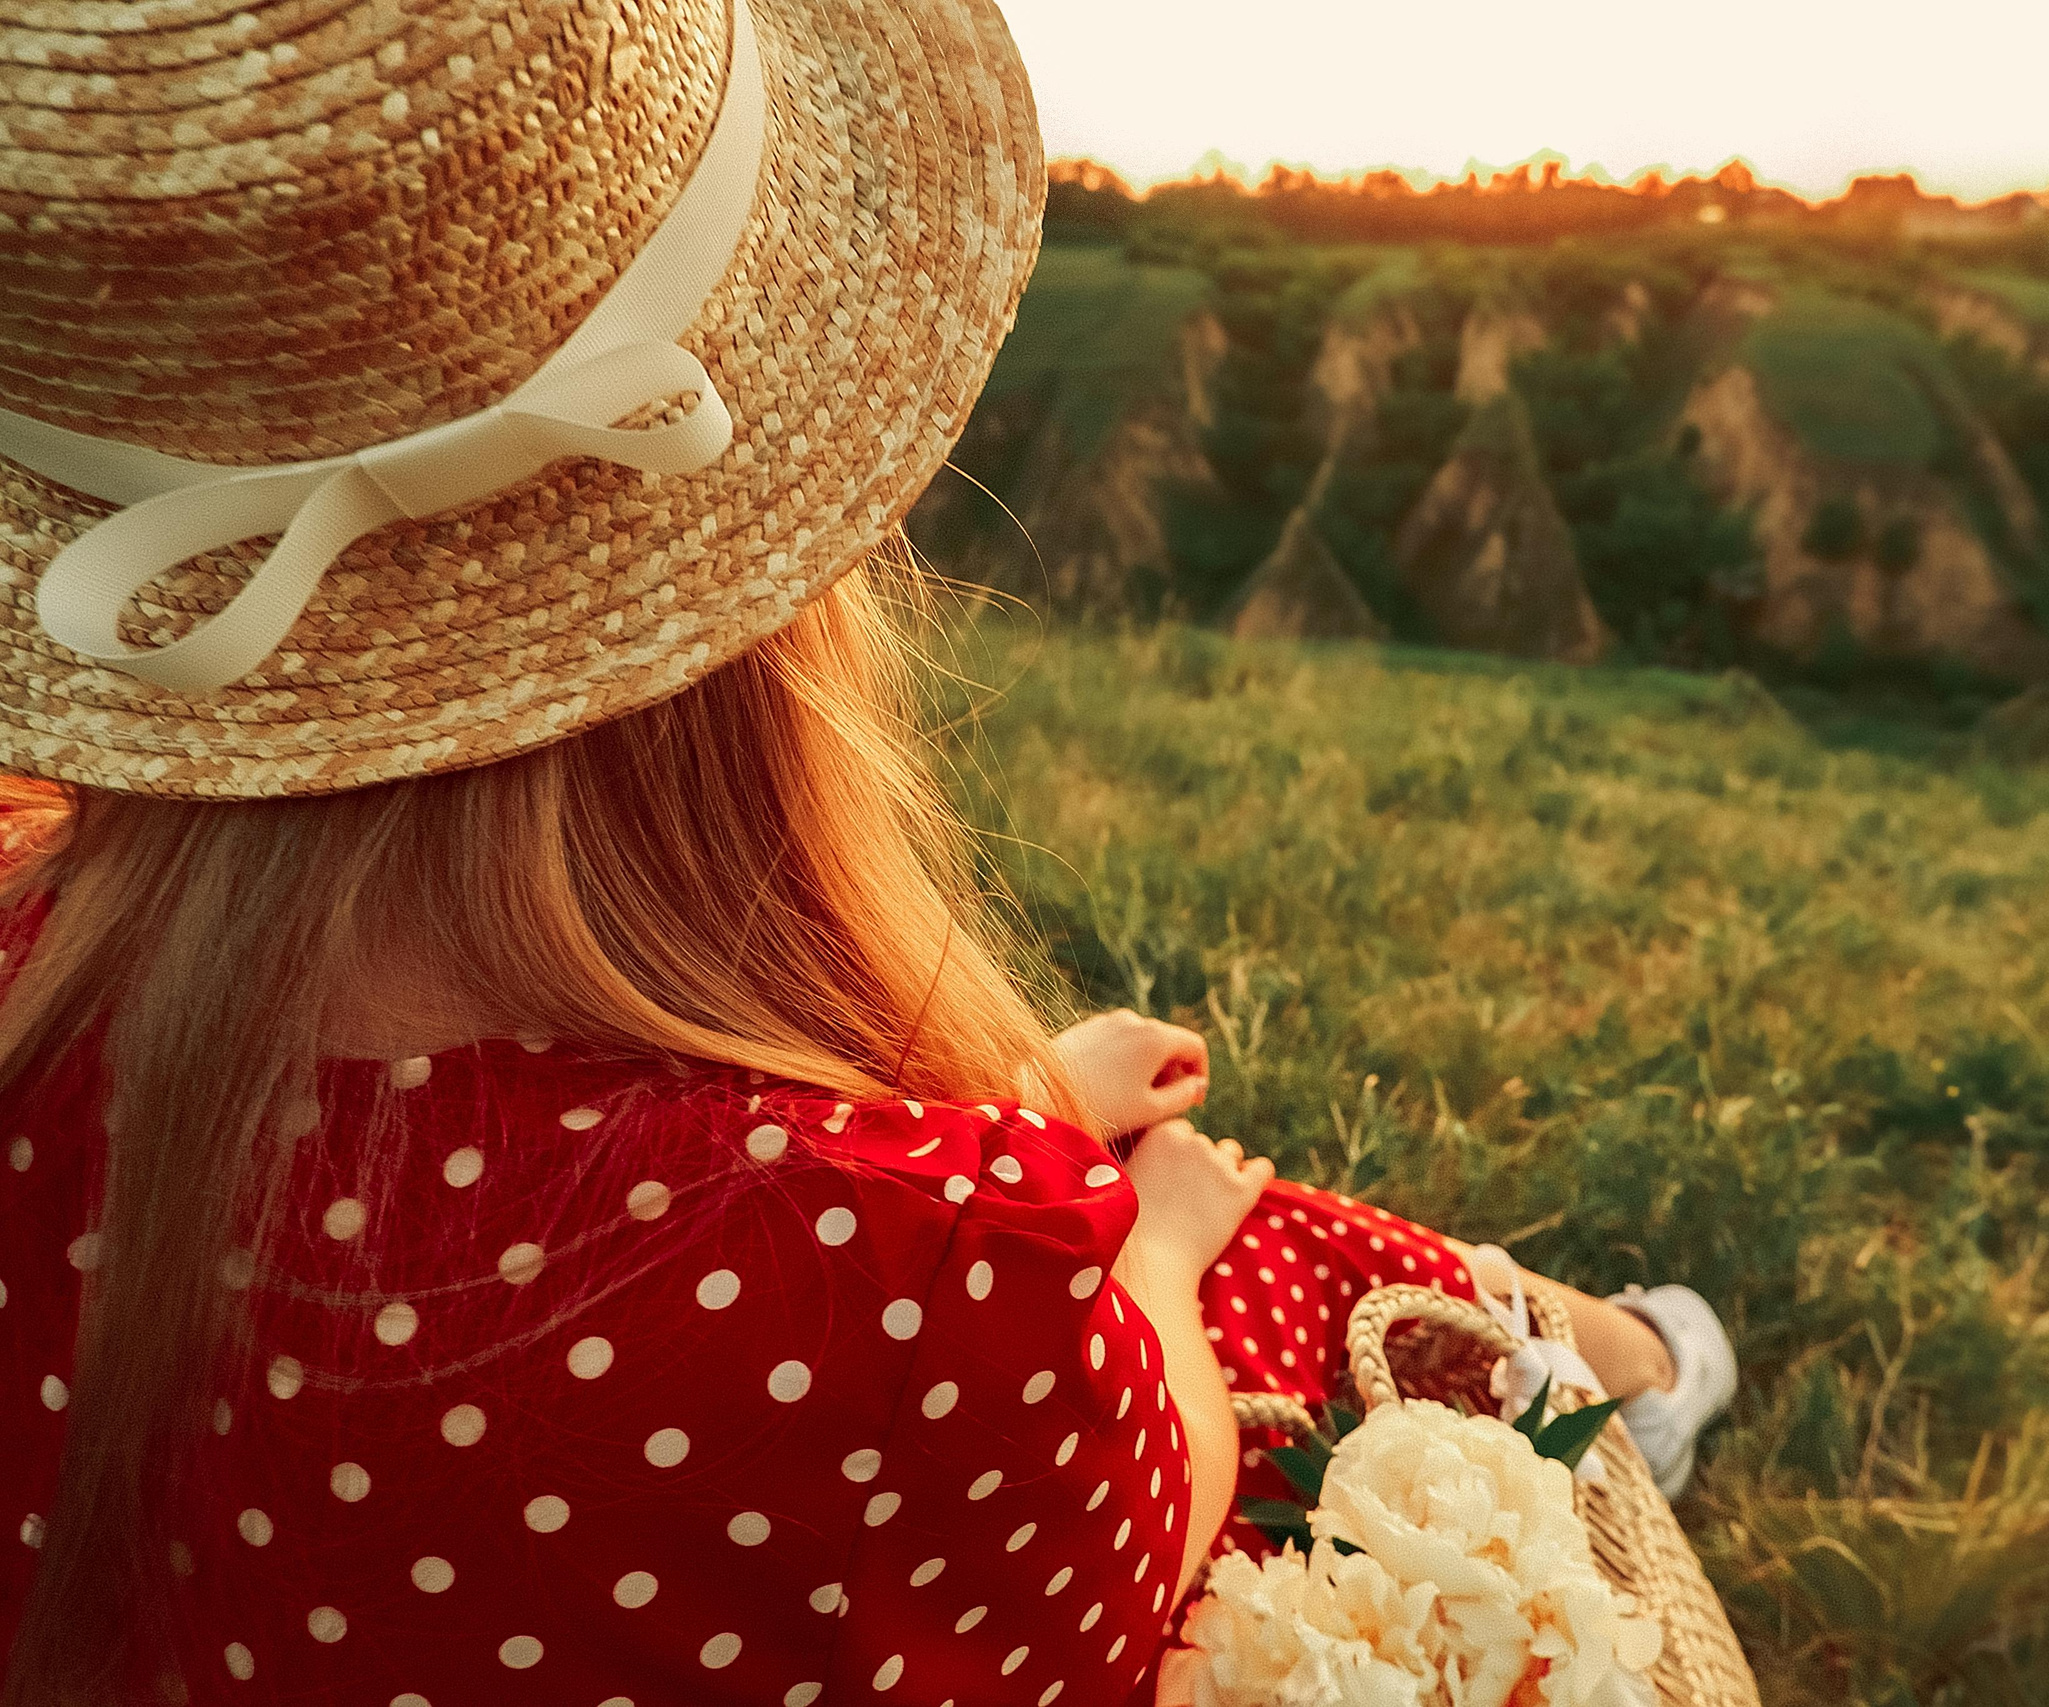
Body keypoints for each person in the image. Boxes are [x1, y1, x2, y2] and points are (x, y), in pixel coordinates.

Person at [0, 0, 1733, 1700]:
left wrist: (1019, 1129)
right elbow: (1140, 1542)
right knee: (1264, 1240)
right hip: (978, 1479)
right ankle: (1641, 1374)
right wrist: (1149, 1251)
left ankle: (1635, 1360)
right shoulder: (913, 1283)